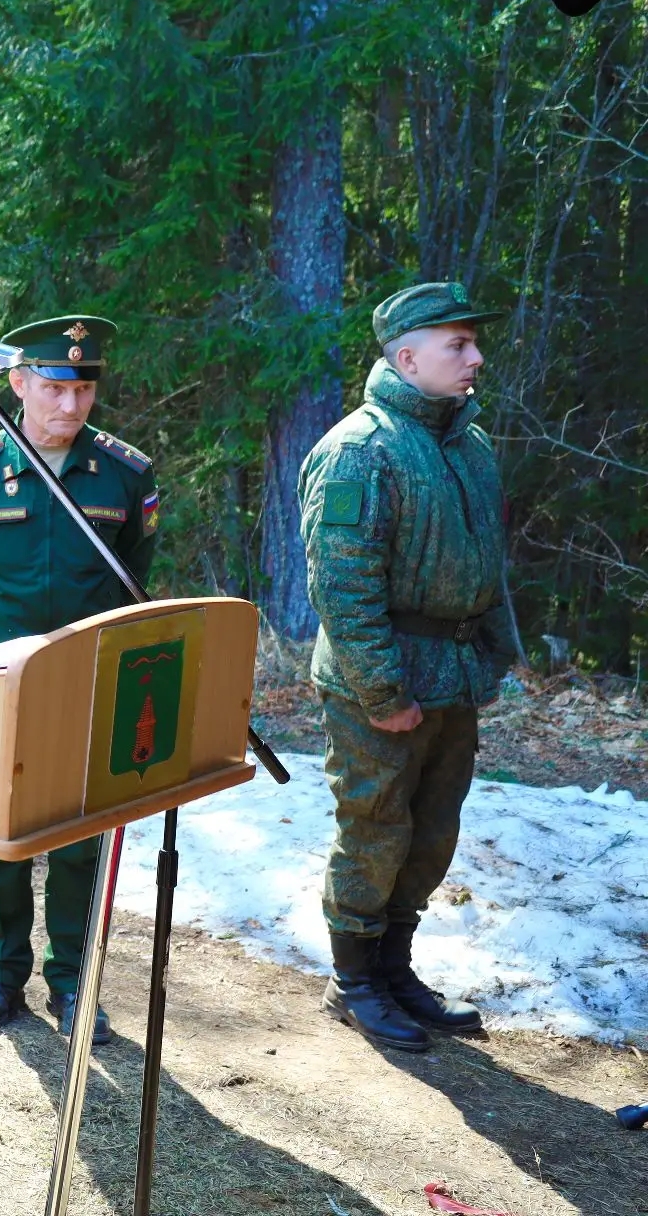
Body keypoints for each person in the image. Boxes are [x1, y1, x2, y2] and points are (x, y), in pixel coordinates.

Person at [300, 281, 517, 1052]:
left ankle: (395, 970)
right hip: (380, 680)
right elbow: (342, 586)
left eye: (472, 343)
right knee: (375, 826)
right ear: (407, 355)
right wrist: (384, 693)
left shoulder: (468, 443)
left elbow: (486, 561)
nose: (475, 358)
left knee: (430, 833)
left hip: (452, 675)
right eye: (458, 345)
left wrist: (494, 655)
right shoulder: (361, 448)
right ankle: (353, 981)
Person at [0, 316, 159, 1048]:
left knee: (80, 835)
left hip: (89, 684)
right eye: (56, 387)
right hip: (1, 682)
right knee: (4, 829)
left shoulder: (128, 474)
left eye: (84, 387)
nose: (71, 404)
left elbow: (134, 573)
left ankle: (72, 981)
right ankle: (2, 971)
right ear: (20, 382)